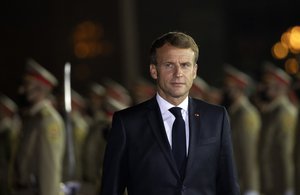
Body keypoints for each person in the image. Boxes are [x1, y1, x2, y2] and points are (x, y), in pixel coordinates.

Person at [100, 31, 240, 195]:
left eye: (185, 65)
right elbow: (111, 189)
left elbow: (228, 185)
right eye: (169, 65)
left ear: (194, 71)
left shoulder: (216, 118)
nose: (178, 73)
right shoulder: (127, 123)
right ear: (154, 70)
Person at [13, 58, 65, 195]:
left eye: (28, 84)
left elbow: (49, 169)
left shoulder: (48, 120)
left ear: (41, 87)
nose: (22, 89)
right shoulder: (33, 118)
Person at [257, 62, 297, 195]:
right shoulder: (271, 113)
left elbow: (287, 152)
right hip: (270, 184)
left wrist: (289, 187)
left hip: (281, 185)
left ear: (280, 88)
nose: (264, 89)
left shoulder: (285, 113)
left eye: (269, 86)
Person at [222, 65, 261, 195]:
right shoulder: (234, 113)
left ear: (239, 89)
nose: (225, 90)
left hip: (245, 186)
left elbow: (250, 155)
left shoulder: (246, 115)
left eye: (229, 87)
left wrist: (251, 188)